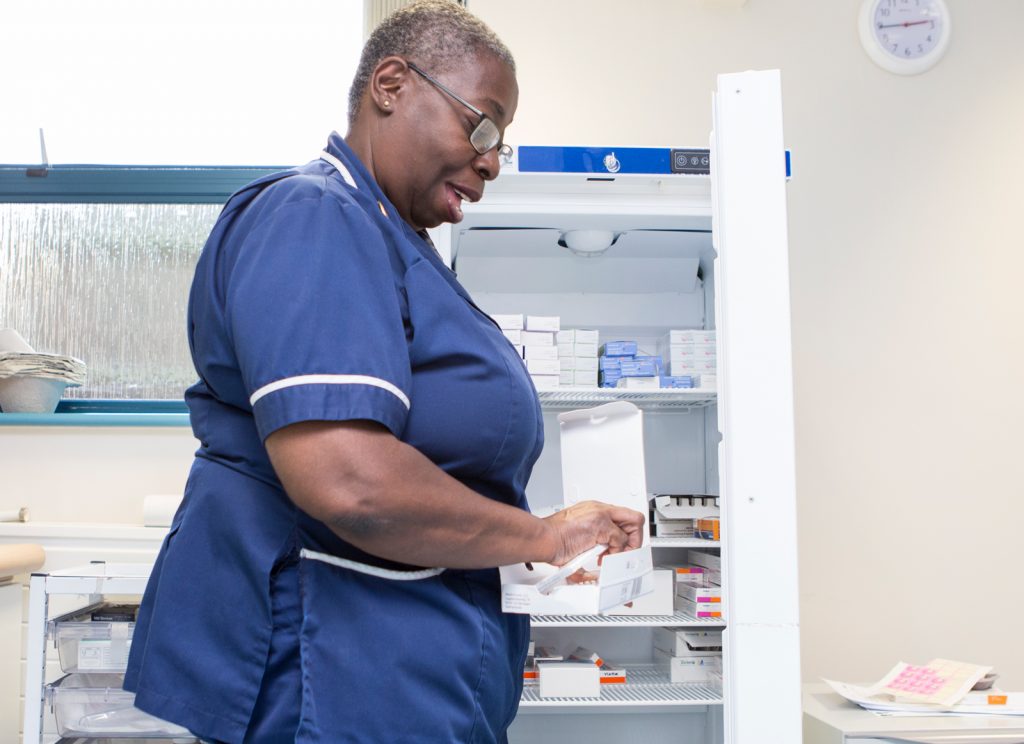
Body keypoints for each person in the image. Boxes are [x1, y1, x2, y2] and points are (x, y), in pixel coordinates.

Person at [124, 2, 645, 742]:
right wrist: (540, 538)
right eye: (484, 125)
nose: (493, 159)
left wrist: (554, 530)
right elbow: (353, 483)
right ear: (393, 84)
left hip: (390, 675)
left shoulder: (386, 237)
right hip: (329, 675)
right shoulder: (314, 217)